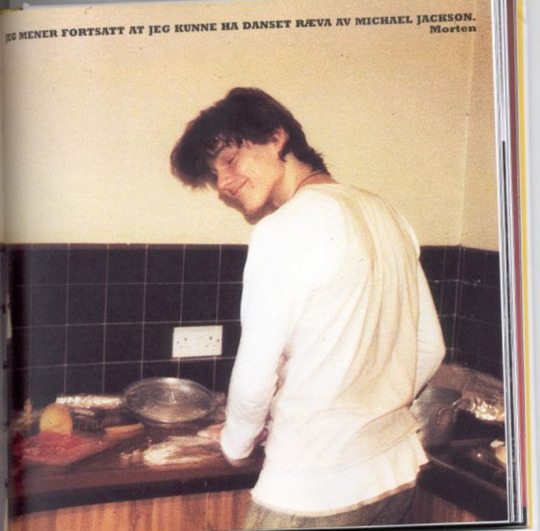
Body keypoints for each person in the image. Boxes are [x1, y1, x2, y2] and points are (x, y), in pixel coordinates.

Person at [170, 87, 446, 529]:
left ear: (276, 137)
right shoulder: (387, 213)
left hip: (312, 489)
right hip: (393, 473)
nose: (223, 183)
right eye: (213, 173)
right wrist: (365, 412)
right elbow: (429, 347)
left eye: (229, 159)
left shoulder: (282, 229)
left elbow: (256, 372)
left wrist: (236, 443)